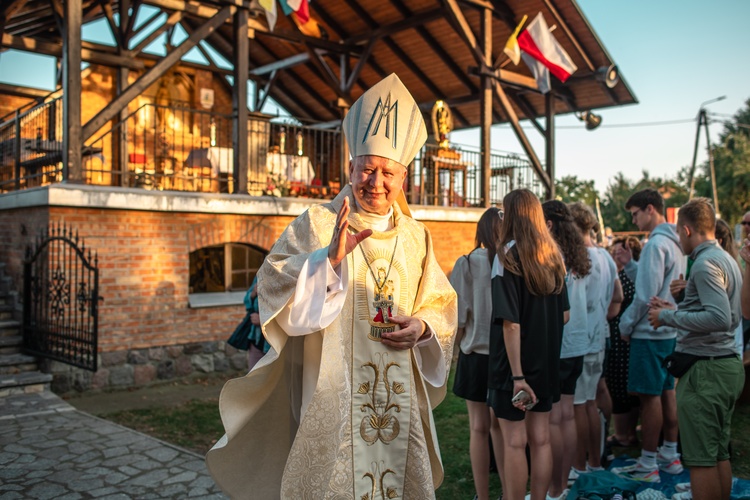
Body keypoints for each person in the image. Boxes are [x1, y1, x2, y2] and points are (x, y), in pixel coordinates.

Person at [205, 74, 458, 499]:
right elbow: (273, 285)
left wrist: (423, 328)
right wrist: (328, 261)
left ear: (404, 177)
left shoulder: (418, 236)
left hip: (398, 397)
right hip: (332, 393)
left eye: (388, 173)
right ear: (351, 166)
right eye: (368, 169)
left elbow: (439, 304)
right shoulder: (318, 223)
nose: (376, 183)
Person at [647, 198, 744, 500]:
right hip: (723, 364)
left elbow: (719, 317)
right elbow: (716, 310)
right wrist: (680, 302)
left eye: (678, 233)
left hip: (706, 370)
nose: (677, 239)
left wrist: (667, 316)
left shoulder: (704, 263)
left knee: (701, 460)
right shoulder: (726, 258)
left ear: (687, 230)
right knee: (717, 453)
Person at [488, 189, 570, 500]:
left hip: (513, 366)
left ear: (509, 215)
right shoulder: (553, 256)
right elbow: (564, 315)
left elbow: (510, 322)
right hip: (546, 360)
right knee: (541, 439)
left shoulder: (507, 255)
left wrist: (518, 376)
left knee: (513, 441)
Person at [612, 188, 685, 483]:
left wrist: (624, 326)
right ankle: (669, 455)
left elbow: (645, 296)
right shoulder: (673, 242)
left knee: (650, 397)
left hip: (649, 331)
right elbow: (654, 280)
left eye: (635, 213)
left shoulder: (655, 245)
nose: (634, 219)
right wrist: (630, 266)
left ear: (650, 209)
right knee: (667, 392)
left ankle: (649, 463)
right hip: (668, 329)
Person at [449, 207, 505, 500]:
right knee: (500, 430)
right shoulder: (513, 262)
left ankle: (483, 496)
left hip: (475, 354)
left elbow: (458, 317)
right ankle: (509, 492)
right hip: (506, 356)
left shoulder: (468, 263)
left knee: (479, 428)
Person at [568, 202, 622, 476]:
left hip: (581, 338)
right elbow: (618, 296)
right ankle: (594, 462)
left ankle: (580, 466)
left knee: (580, 404)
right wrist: (605, 318)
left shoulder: (582, 258)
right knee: (589, 402)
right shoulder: (606, 256)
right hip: (598, 336)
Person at [542, 200, 591, 499]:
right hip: (577, 342)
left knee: (554, 419)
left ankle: (555, 488)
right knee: (568, 416)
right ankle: (563, 481)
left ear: (548, 224)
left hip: (560, 343)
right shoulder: (578, 252)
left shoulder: (552, 254)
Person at [605, 237, 642, 449]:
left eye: (619, 252)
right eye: (614, 252)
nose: (615, 256)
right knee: (623, 385)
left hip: (623, 335)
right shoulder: (619, 275)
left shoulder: (625, 278)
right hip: (624, 334)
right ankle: (627, 433)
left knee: (620, 384)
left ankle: (623, 435)